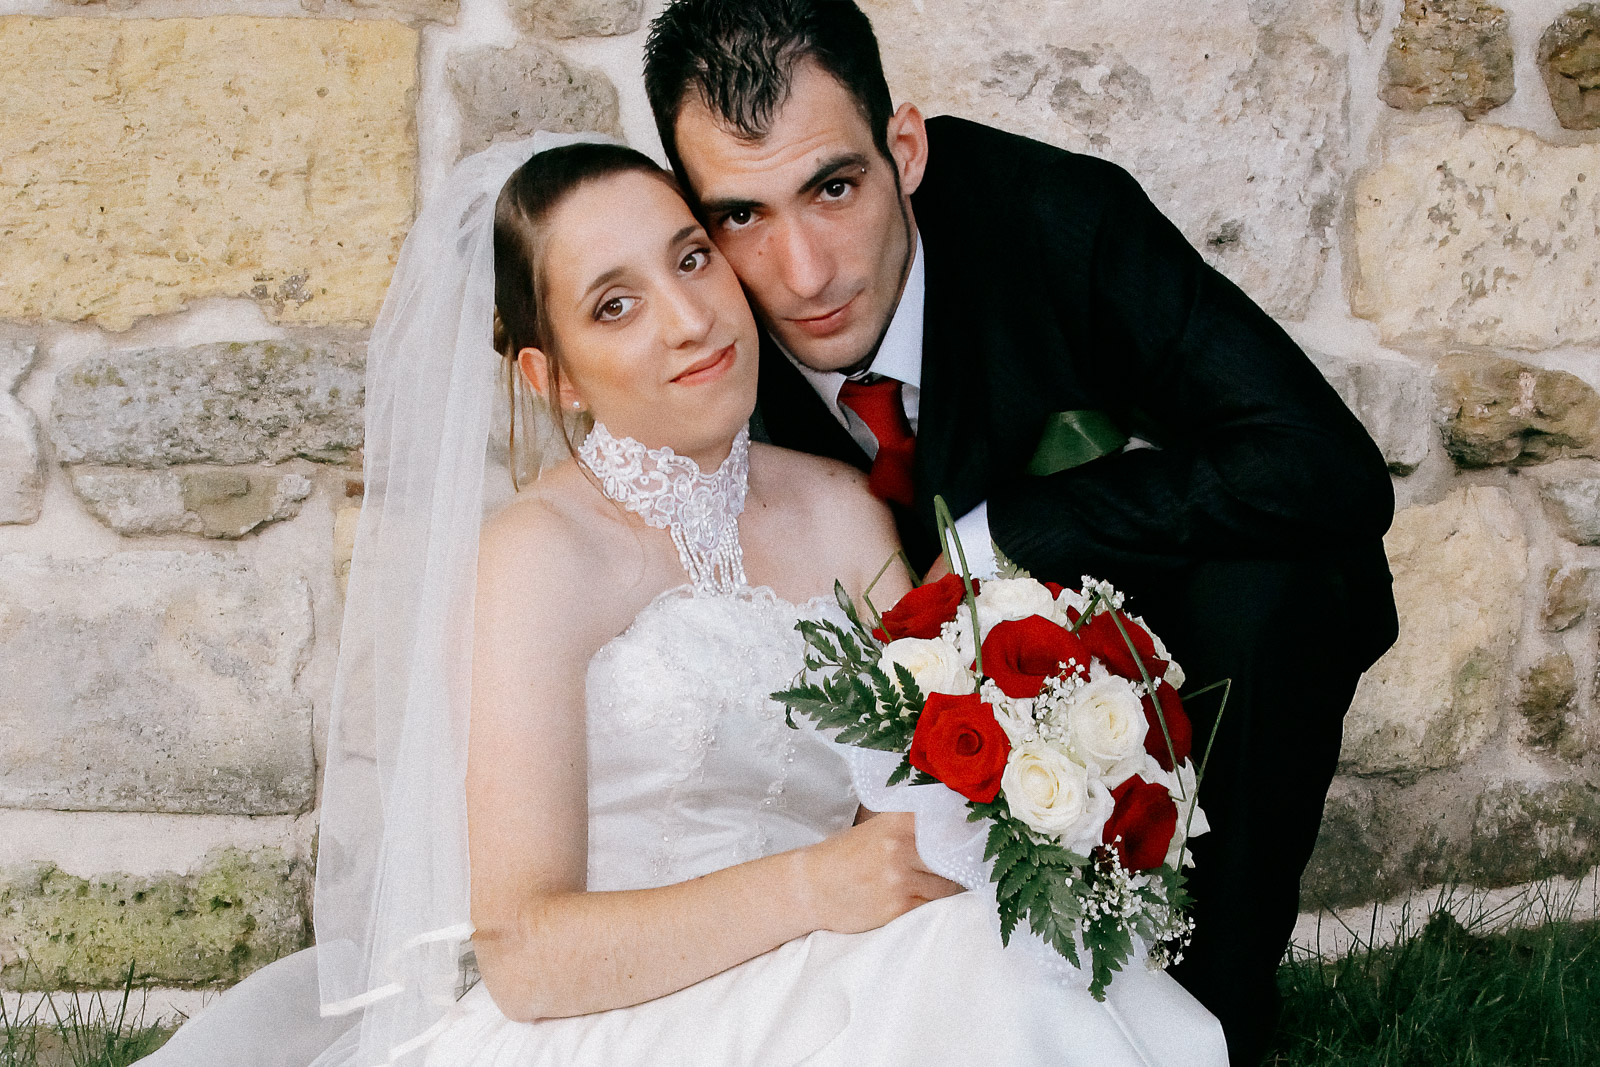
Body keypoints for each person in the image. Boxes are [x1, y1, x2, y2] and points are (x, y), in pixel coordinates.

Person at [137, 135, 1228, 1067]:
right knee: (970, 969)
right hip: (619, 1016)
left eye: (693, 258)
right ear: (553, 377)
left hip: (843, 965)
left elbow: (917, 793)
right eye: (615, 305)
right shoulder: (537, 558)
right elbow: (525, 952)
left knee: (984, 952)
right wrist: (815, 885)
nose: (689, 319)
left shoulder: (842, 509)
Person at [641, 2, 1401, 1063]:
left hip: (1113, 662)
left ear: (905, 149)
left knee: (1286, 582)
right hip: (849, 736)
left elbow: (1324, 462)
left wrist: (1013, 530)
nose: (803, 271)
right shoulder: (687, 330)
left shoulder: (1058, 219)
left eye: (834, 187)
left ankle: (1215, 1012)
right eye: (740, 215)